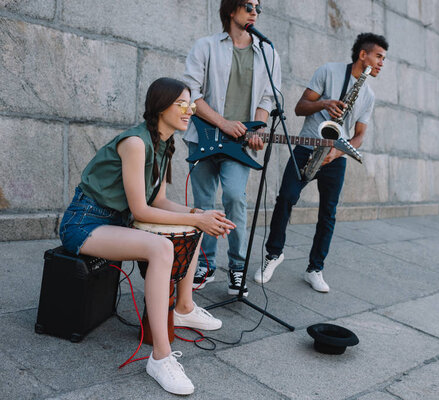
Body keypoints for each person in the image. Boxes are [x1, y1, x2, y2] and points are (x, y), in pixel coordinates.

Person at [59, 77, 236, 395]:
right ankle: (160, 357)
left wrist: (197, 215)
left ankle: (184, 307)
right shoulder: (136, 143)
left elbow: (158, 201)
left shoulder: (164, 144)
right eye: (183, 104)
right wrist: (195, 216)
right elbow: (141, 210)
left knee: (193, 224)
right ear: (160, 105)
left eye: (192, 105)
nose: (190, 110)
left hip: (116, 221)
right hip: (84, 224)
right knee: (160, 249)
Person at [256, 33, 388, 292]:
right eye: (379, 56)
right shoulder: (328, 71)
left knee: (328, 214)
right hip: (306, 148)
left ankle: (315, 269)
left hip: (334, 156)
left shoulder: (368, 95)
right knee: (285, 198)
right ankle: (273, 255)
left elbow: (359, 136)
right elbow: (299, 107)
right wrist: (324, 103)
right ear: (364, 55)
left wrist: (338, 153)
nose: (382, 63)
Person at [182, 0, 280, 296]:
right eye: (249, 5)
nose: (255, 12)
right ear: (230, 9)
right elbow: (191, 94)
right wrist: (223, 123)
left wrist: (259, 128)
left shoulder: (268, 53)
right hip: (203, 139)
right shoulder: (206, 46)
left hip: (240, 145)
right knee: (204, 204)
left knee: (236, 199)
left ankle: (237, 268)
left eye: (258, 7)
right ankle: (205, 264)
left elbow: (267, 98)